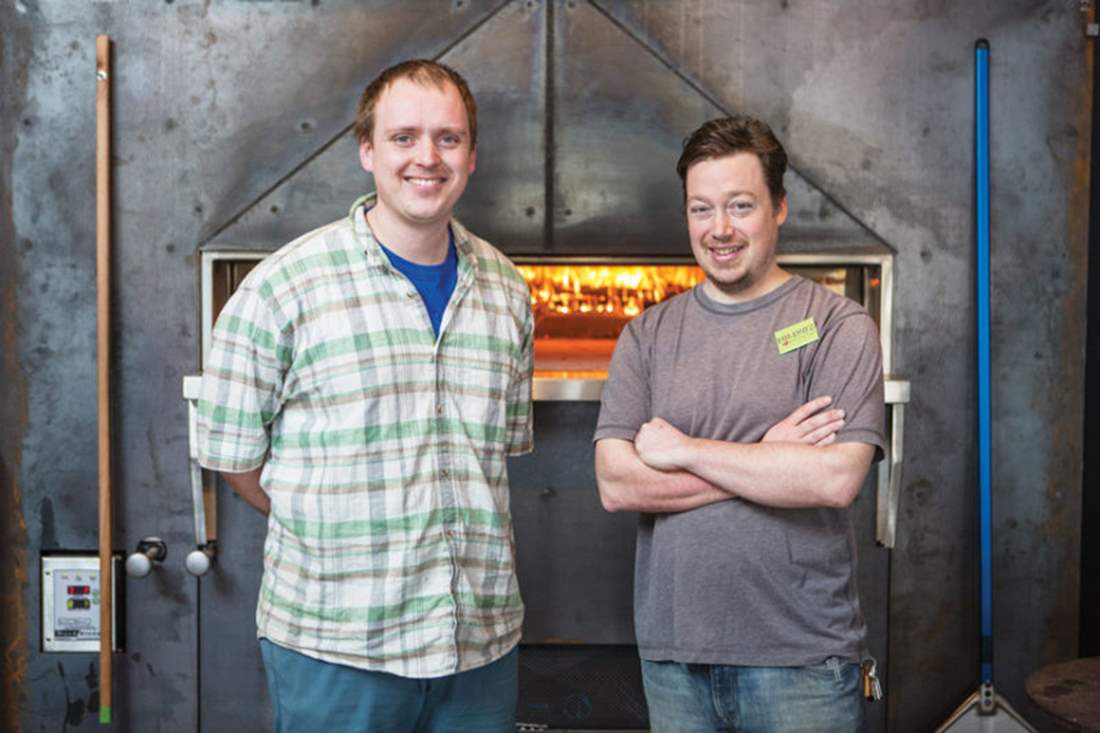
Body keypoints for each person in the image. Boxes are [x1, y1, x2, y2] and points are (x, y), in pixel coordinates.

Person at [196, 59, 533, 732]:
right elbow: (233, 459)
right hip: (337, 649)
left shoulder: (507, 289)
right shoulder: (282, 287)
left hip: (479, 648)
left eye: (448, 138)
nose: (427, 157)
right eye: (404, 137)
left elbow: (499, 451)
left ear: (471, 157)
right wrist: (325, 520)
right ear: (367, 150)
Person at [593, 115, 885, 732]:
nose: (719, 229)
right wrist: (767, 455)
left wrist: (684, 451)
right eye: (701, 209)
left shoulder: (835, 326)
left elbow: (832, 479)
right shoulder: (647, 335)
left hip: (802, 662)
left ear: (778, 207)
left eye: (740, 205)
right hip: (675, 662)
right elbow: (617, 484)